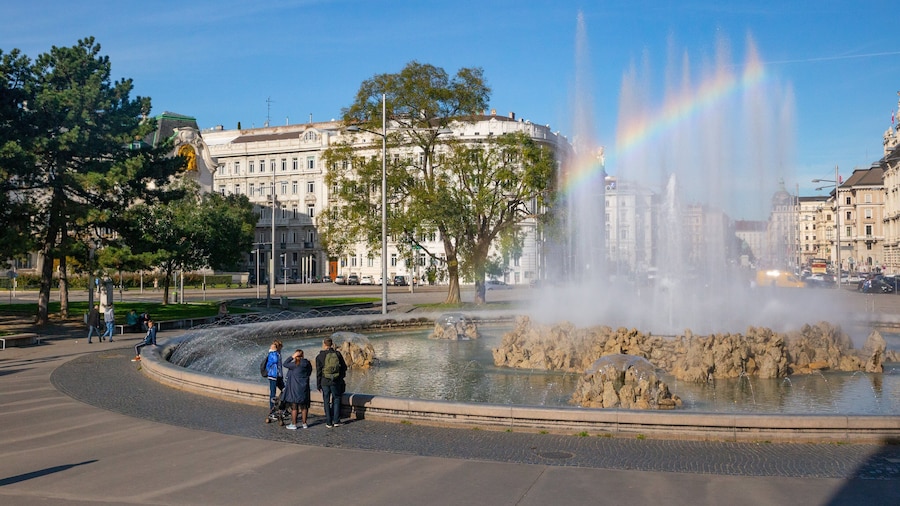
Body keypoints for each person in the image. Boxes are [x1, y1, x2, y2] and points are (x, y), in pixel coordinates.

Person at [315, 337, 347, 428]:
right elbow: (344, 367)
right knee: (336, 399)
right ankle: (336, 420)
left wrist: (318, 385)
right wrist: (340, 378)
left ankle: (329, 422)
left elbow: (319, 372)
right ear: (332, 344)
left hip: (324, 381)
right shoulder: (337, 354)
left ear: (324, 344)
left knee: (326, 401)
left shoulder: (319, 356)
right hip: (335, 381)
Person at [282, 349, 312, 430]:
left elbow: (285, 364)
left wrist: (292, 356)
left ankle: (294, 424)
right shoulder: (307, 363)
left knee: (294, 407)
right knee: (304, 407)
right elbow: (309, 373)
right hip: (304, 387)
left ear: (296, 356)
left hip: (295, 388)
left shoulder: (294, 364)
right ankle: (304, 423)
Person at [265, 340, 285, 421]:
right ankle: (272, 411)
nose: (281, 349)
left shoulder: (278, 353)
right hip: (273, 376)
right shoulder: (273, 354)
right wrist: (272, 350)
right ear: (278, 347)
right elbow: (275, 361)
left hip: (279, 376)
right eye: (280, 347)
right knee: (272, 393)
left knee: (285, 390)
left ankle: (282, 407)